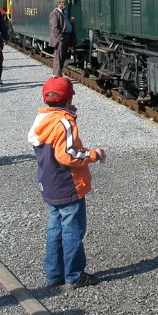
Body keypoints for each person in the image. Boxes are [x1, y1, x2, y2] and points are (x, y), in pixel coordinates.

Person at [28, 76, 105, 290]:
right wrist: (93, 155)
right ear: (69, 98)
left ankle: (54, 274)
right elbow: (68, 155)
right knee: (73, 230)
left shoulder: (42, 120)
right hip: (68, 185)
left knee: (55, 228)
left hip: (49, 184)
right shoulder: (64, 122)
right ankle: (74, 275)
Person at [49, 0, 74, 78]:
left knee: (62, 57)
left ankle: (58, 74)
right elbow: (54, 28)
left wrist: (70, 22)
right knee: (58, 57)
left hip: (65, 37)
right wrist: (61, 38)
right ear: (58, 4)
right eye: (63, 3)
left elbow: (64, 24)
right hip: (60, 39)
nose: (65, 5)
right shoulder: (55, 13)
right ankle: (56, 75)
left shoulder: (62, 12)